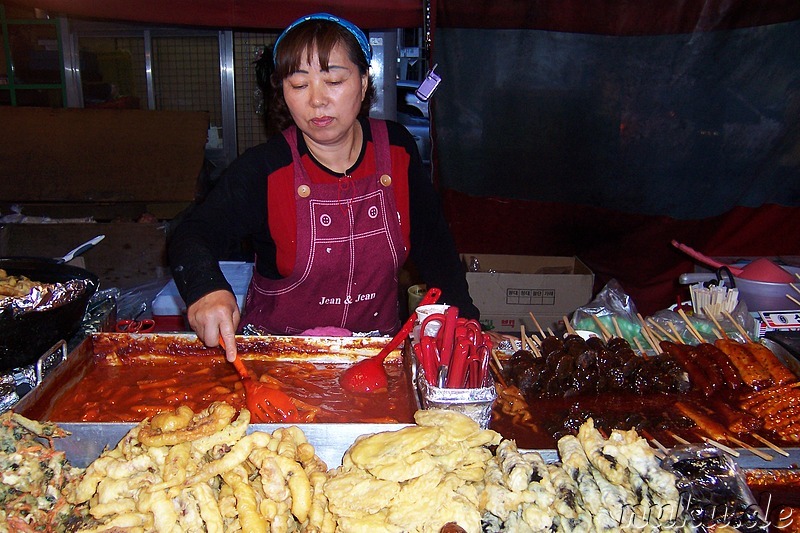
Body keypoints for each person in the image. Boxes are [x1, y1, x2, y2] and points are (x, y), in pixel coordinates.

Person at [168, 13, 478, 362]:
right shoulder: (264, 168)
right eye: (299, 85)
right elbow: (191, 234)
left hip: (376, 358)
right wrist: (205, 287)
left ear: (363, 82)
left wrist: (465, 323)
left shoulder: (396, 149)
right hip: (280, 363)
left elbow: (434, 244)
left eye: (333, 80)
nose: (317, 100)